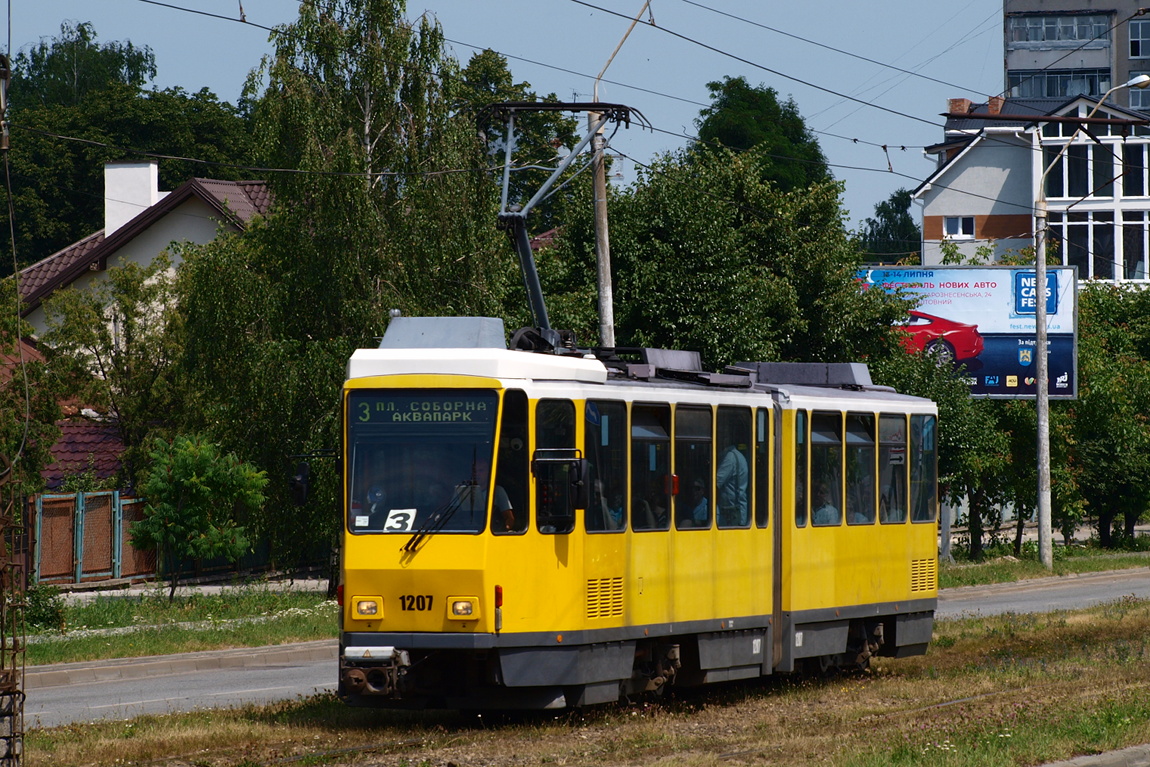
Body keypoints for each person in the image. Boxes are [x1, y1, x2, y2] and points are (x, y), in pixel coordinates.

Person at [717, 443, 749, 526]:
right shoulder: (738, 455)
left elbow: (716, 482)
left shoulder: (730, 458)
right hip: (737, 510)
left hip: (732, 512)